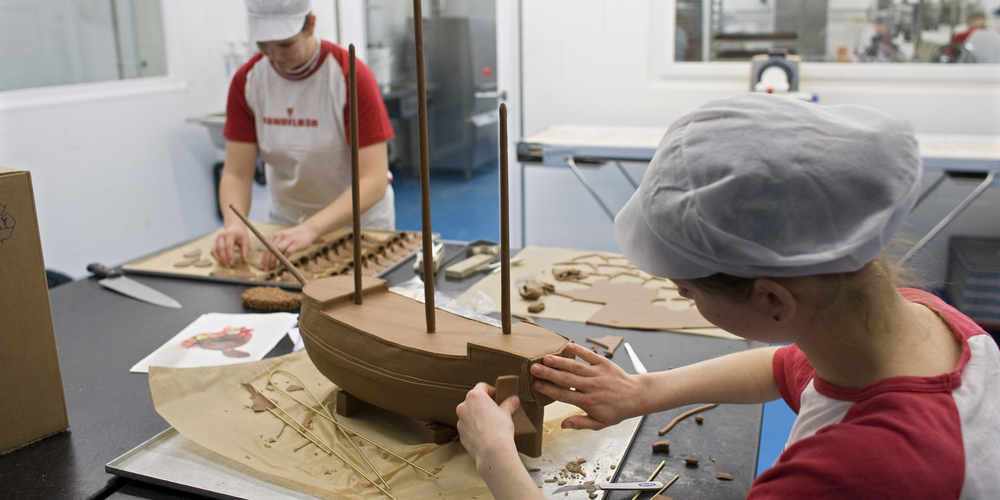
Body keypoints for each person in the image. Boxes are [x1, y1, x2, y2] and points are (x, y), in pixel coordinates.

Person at [456, 94, 1000, 498]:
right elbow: (789, 365)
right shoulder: (925, 323)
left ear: (773, 301)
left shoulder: (853, 469)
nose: (687, 301)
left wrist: (496, 459)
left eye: (688, 292)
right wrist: (643, 392)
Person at [212, 0, 395, 270]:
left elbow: (374, 180)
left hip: (357, 224)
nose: (275, 56)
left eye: (285, 44)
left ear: (310, 25)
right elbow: (237, 173)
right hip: (288, 222)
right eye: (264, 45)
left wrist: (311, 229)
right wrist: (234, 223)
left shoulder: (347, 75)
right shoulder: (248, 81)